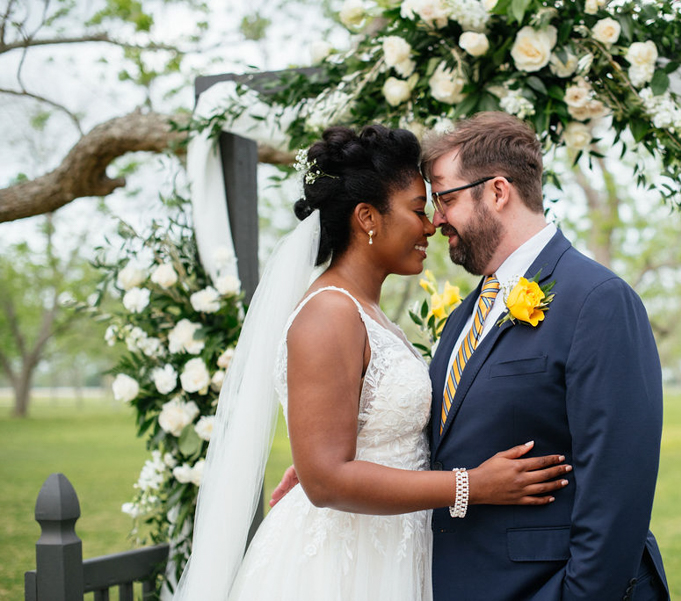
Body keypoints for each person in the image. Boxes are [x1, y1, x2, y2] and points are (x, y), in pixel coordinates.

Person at [276, 112, 669, 600]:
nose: (435, 220)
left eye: (444, 198)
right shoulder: (465, 315)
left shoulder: (597, 299)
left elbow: (618, 487)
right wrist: (334, 456)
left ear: (498, 192)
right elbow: (446, 432)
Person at [172, 124, 570, 601]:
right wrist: (471, 486)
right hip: (343, 564)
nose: (430, 226)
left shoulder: (369, 313)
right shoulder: (328, 314)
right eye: (418, 210)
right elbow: (325, 481)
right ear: (367, 218)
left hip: (394, 546)